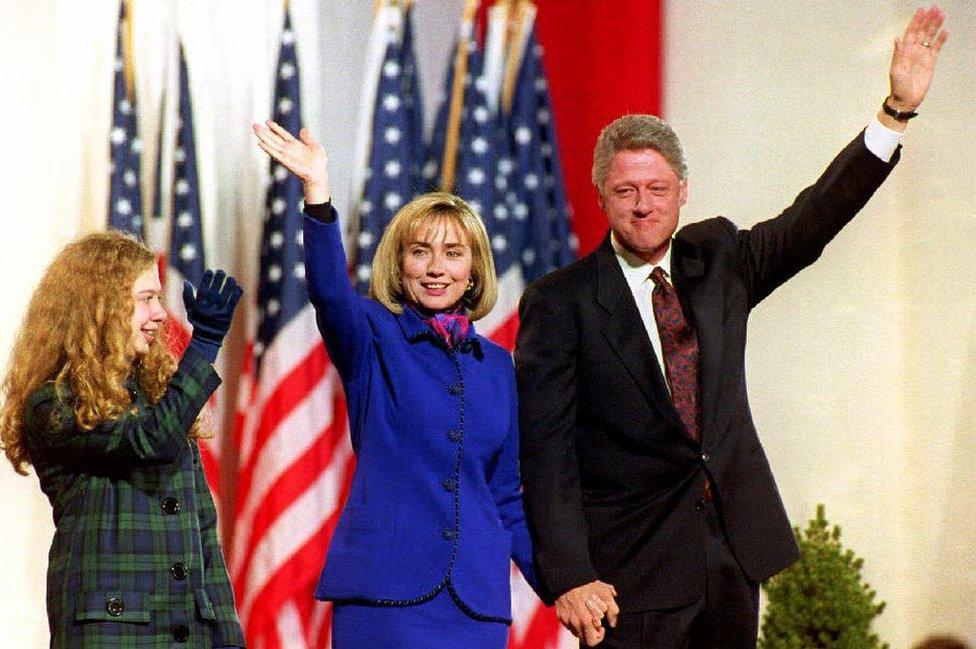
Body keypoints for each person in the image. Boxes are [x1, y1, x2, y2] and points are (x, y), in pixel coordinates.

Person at [514, 6, 948, 648]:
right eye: (627, 190)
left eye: (657, 188)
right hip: (628, 574)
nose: (643, 204)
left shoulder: (718, 261)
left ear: (683, 191)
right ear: (601, 194)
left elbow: (813, 218)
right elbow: (547, 454)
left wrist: (893, 113)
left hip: (732, 559)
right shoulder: (561, 302)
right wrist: (570, 576)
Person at [252, 120, 540, 648]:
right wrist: (318, 197)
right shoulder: (372, 336)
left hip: (476, 609)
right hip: (384, 601)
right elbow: (331, 296)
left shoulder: (498, 367)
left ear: (474, 270)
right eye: (419, 252)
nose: (436, 269)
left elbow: (504, 497)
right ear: (399, 261)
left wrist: (566, 589)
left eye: (453, 253)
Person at [0, 232, 245, 647]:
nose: (162, 314)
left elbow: (202, 529)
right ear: (100, 307)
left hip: (191, 630)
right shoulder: (53, 404)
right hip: (111, 631)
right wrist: (202, 345)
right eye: (146, 298)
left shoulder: (161, 399)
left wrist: (227, 635)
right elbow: (149, 442)